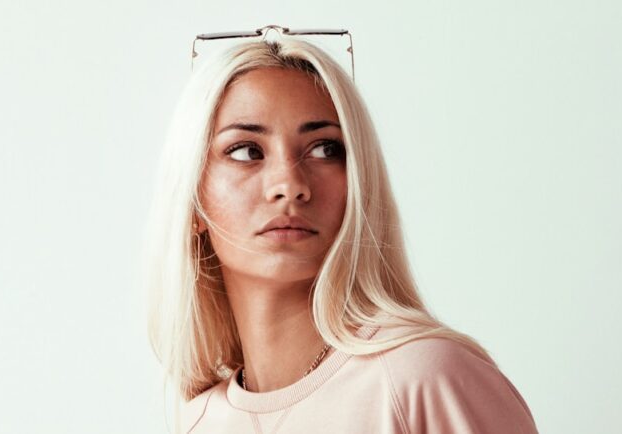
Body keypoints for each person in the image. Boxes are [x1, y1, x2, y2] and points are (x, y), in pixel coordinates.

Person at [142, 34, 539, 434]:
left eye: (325, 149)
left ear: (360, 185)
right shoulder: (199, 421)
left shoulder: (424, 381)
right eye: (247, 151)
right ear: (193, 203)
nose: (289, 184)